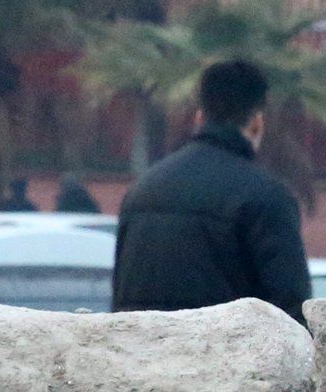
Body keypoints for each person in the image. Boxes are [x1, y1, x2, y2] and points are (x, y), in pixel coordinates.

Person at [112, 59, 312, 320]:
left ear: (199, 117)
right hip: (223, 356)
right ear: (256, 123)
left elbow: (121, 298)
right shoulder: (267, 197)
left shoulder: (141, 191)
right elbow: (291, 307)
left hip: (142, 354)